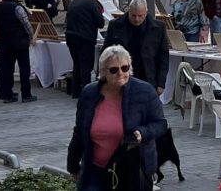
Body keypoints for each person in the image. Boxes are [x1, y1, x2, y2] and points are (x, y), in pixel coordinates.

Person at [67, 46, 167, 191]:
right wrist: (73, 166)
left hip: (131, 171)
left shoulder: (144, 91)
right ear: (103, 72)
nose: (120, 73)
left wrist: (142, 132)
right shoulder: (89, 93)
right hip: (95, 170)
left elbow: (160, 124)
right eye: (114, 70)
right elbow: (79, 132)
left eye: (125, 68)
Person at [102, 0, 170, 97]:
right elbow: (105, 53)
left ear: (146, 13)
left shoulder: (158, 28)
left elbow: (163, 56)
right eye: (133, 15)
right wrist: (103, 78)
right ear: (128, 11)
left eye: (140, 16)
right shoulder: (115, 25)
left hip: (148, 76)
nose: (137, 19)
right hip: (122, 75)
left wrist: (161, 83)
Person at [0, 0, 37, 103]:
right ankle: (26, 94)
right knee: (24, 68)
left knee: (7, 68)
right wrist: (31, 36)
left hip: (4, 42)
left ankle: (7, 95)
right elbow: (26, 23)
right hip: (19, 42)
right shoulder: (17, 7)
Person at [66, 0, 106, 99]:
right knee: (86, 66)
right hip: (85, 38)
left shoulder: (74, 2)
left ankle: (76, 91)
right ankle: (86, 91)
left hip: (71, 37)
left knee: (77, 64)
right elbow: (100, 23)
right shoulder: (92, 4)